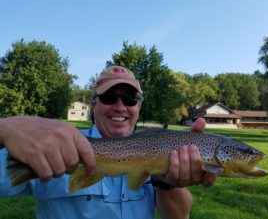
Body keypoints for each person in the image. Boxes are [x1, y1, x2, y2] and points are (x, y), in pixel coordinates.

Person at [0, 66, 216, 219]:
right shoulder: (55, 144)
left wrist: (165, 183)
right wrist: (4, 129)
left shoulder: (162, 148)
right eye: (109, 96)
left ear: (139, 107)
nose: (120, 106)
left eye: (130, 98)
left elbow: (180, 216)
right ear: (94, 104)